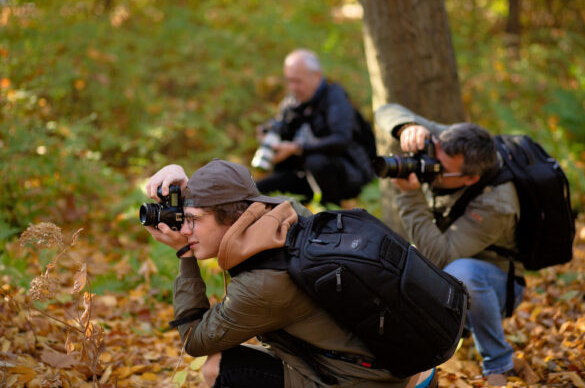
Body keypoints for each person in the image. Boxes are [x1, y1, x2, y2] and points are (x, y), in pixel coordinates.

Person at [144, 159, 436, 388]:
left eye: (192, 220)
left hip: (367, 381)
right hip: (397, 364)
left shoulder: (263, 285)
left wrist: (184, 255)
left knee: (218, 367)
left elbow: (194, 340)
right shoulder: (286, 214)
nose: (183, 229)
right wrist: (181, 178)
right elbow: (232, 188)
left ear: (230, 217)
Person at [375, 104, 524, 386]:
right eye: (433, 156)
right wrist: (407, 128)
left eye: (440, 169)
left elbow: (440, 256)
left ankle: (499, 362)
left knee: (462, 272)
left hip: (500, 282)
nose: (430, 168)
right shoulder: (445, 142)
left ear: (470, 179)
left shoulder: (497, 204)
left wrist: (409, 197)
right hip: (455, 266)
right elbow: (385, 110)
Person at [254, 49, 373, 205]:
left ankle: (331, 212)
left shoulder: (335, 98)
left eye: (298, 81)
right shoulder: (292, 102)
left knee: (316, 161)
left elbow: (341, 140)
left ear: (316, 76)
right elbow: (282, 130)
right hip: (306, 177)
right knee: (258, 190)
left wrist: (297, 148)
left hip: (348, 175)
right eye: (289, 81)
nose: (293, 87)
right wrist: (270, 135)